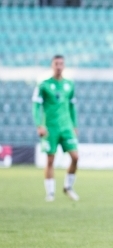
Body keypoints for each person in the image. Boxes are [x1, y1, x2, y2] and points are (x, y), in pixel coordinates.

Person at [32, 55, 79, 202]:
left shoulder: (69, 84)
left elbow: (72, 107)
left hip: (66, 127)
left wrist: (74, 125)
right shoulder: (44, 85)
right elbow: (36, 105)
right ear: (52, 65)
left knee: (75, 157)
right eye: (56, 64)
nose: (59, 66)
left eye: (61, 64)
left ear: (64, 66)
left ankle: (68, 187)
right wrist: (39, 124)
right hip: (50, 127)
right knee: (50, 160)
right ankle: (50, 193)